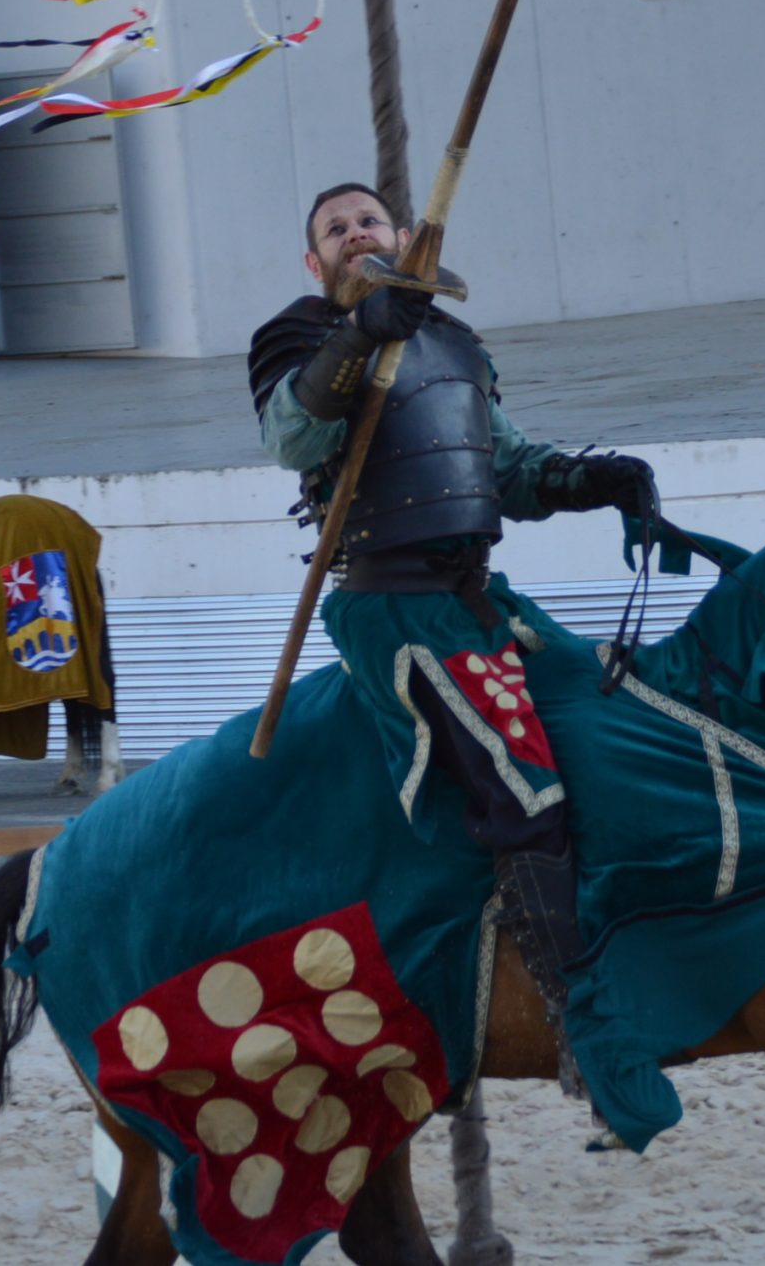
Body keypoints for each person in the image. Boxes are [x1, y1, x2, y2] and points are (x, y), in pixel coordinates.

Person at [249, 181, 657, 1095]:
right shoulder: (302, 336)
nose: (357, 233)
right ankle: (577, 1020)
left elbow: (507, 468)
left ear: (405, 237)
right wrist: (360, 333)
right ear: (315, 263)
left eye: (369, 221)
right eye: (336, 230)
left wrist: (595, 480)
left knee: (610, 715)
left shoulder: (455, 342)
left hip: (479, 598)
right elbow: (292, 439)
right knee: (525, 791)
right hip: (392, 610)